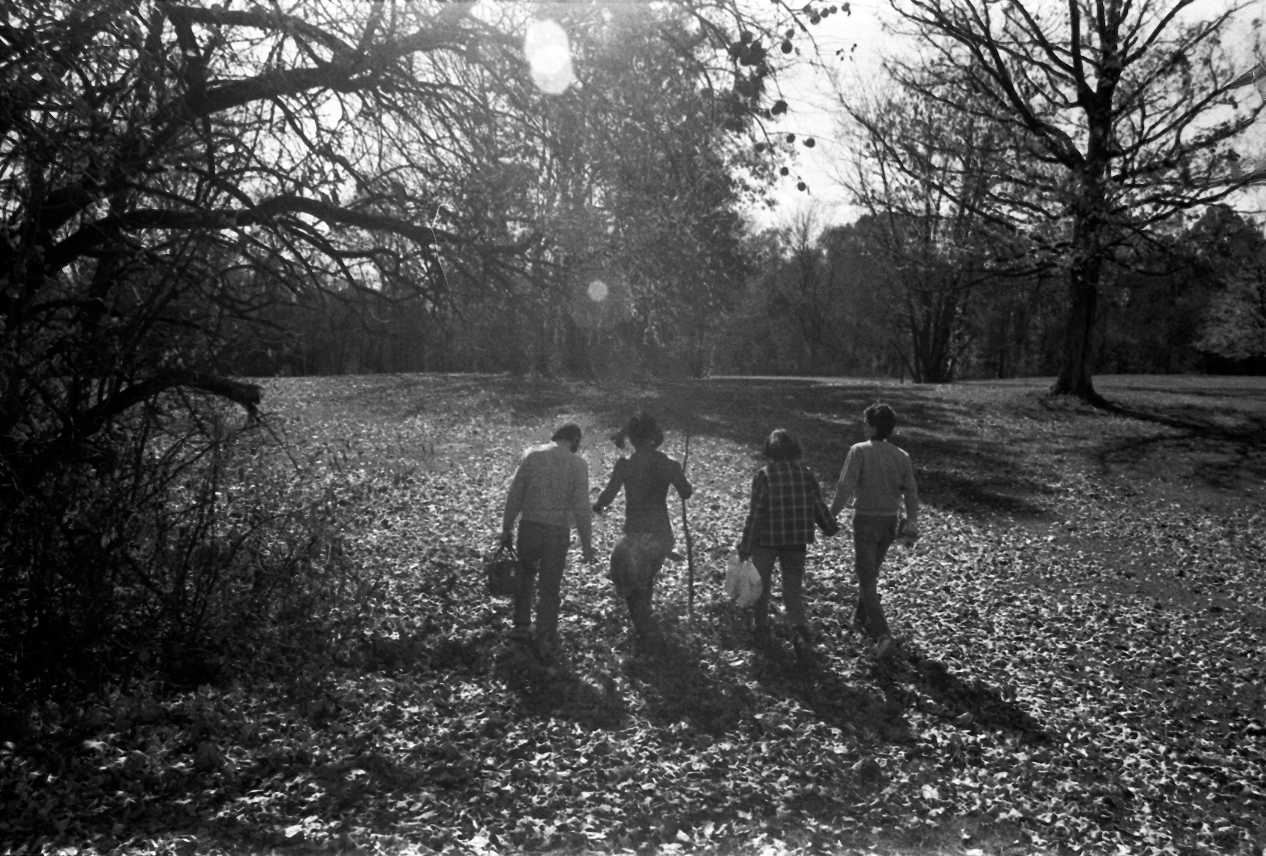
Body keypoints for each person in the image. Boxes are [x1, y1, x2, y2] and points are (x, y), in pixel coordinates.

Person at [592, 411, 693, 646]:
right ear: (654, 436)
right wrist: (679, 473)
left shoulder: (625, 466)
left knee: (635, 584)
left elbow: (605, 500)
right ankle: (645, 628)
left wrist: (599, 512)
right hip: (661, 535)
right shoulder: (669, 464)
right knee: (644, 580)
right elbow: (686, 493)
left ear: (632, 438)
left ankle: (645, 633)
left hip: (634, 534)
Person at [737, 428, 839, 659]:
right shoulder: (806, 474)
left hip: (767, 541)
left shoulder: (764, 475)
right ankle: (800, 633)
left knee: (761, 587)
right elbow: (816, 505)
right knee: (792, 591)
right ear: (794, 449)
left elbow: (755, 514)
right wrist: (829, 526)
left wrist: (746, 546)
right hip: (796, 542)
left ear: (769, 451)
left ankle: (761, 629)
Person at [829, 402, 920, 659]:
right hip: (890, 523)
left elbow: (845, 487)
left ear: (871, 426)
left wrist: (830, 516)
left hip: (866, 521)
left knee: (866, 578)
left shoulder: (859, 451)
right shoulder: (901, 456)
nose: (863, 426)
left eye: (865, 422)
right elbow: (911, 493)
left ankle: (883, 635)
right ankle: (859, 621)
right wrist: (911, 521)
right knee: (870, 573)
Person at [500, 422, 596, 657]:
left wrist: (507, 527)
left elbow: (515, 494)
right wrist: (586, 543)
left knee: (525, 577)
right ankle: (545, 635)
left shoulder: (532, 455)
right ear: (574, 440)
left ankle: (521, 626)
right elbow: (582, 507)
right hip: (557, 531)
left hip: (530, 526)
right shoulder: (578, 464)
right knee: (549, 587)